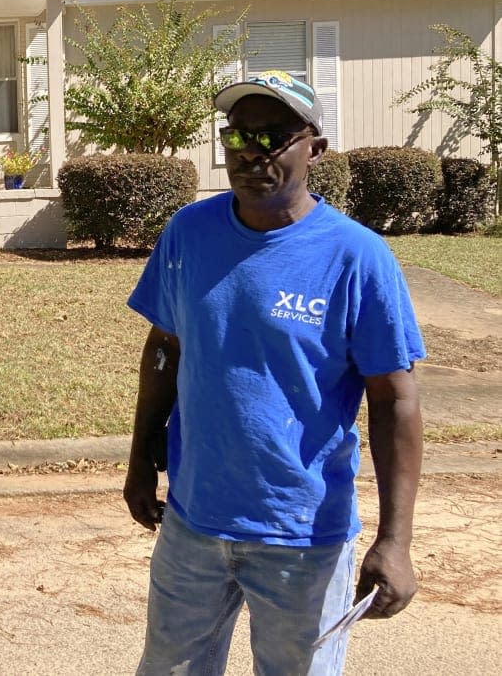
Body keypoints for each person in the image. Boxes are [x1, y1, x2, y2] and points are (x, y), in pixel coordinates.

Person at [123, 70, 425, 674]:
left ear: (315, 147)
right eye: (238, 136)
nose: (251, 153)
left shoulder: (356, 257)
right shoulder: (190, 233)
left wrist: (396, 539)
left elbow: (395, 400)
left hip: (303, 537)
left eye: (274, 137)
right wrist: (139, 459)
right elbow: (165, 348)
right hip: (193, 523)